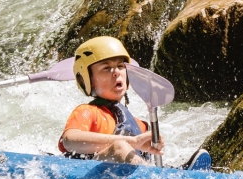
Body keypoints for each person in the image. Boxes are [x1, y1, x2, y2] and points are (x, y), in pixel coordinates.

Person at [58, 36, 164, 165]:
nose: (116, 72)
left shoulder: (141, 125)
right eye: (106, 68)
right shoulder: (87, 111)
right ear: (88, 80)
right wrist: (132, 142)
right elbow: (69, 141)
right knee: (120, 147)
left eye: (120, 66)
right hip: (92, 177)